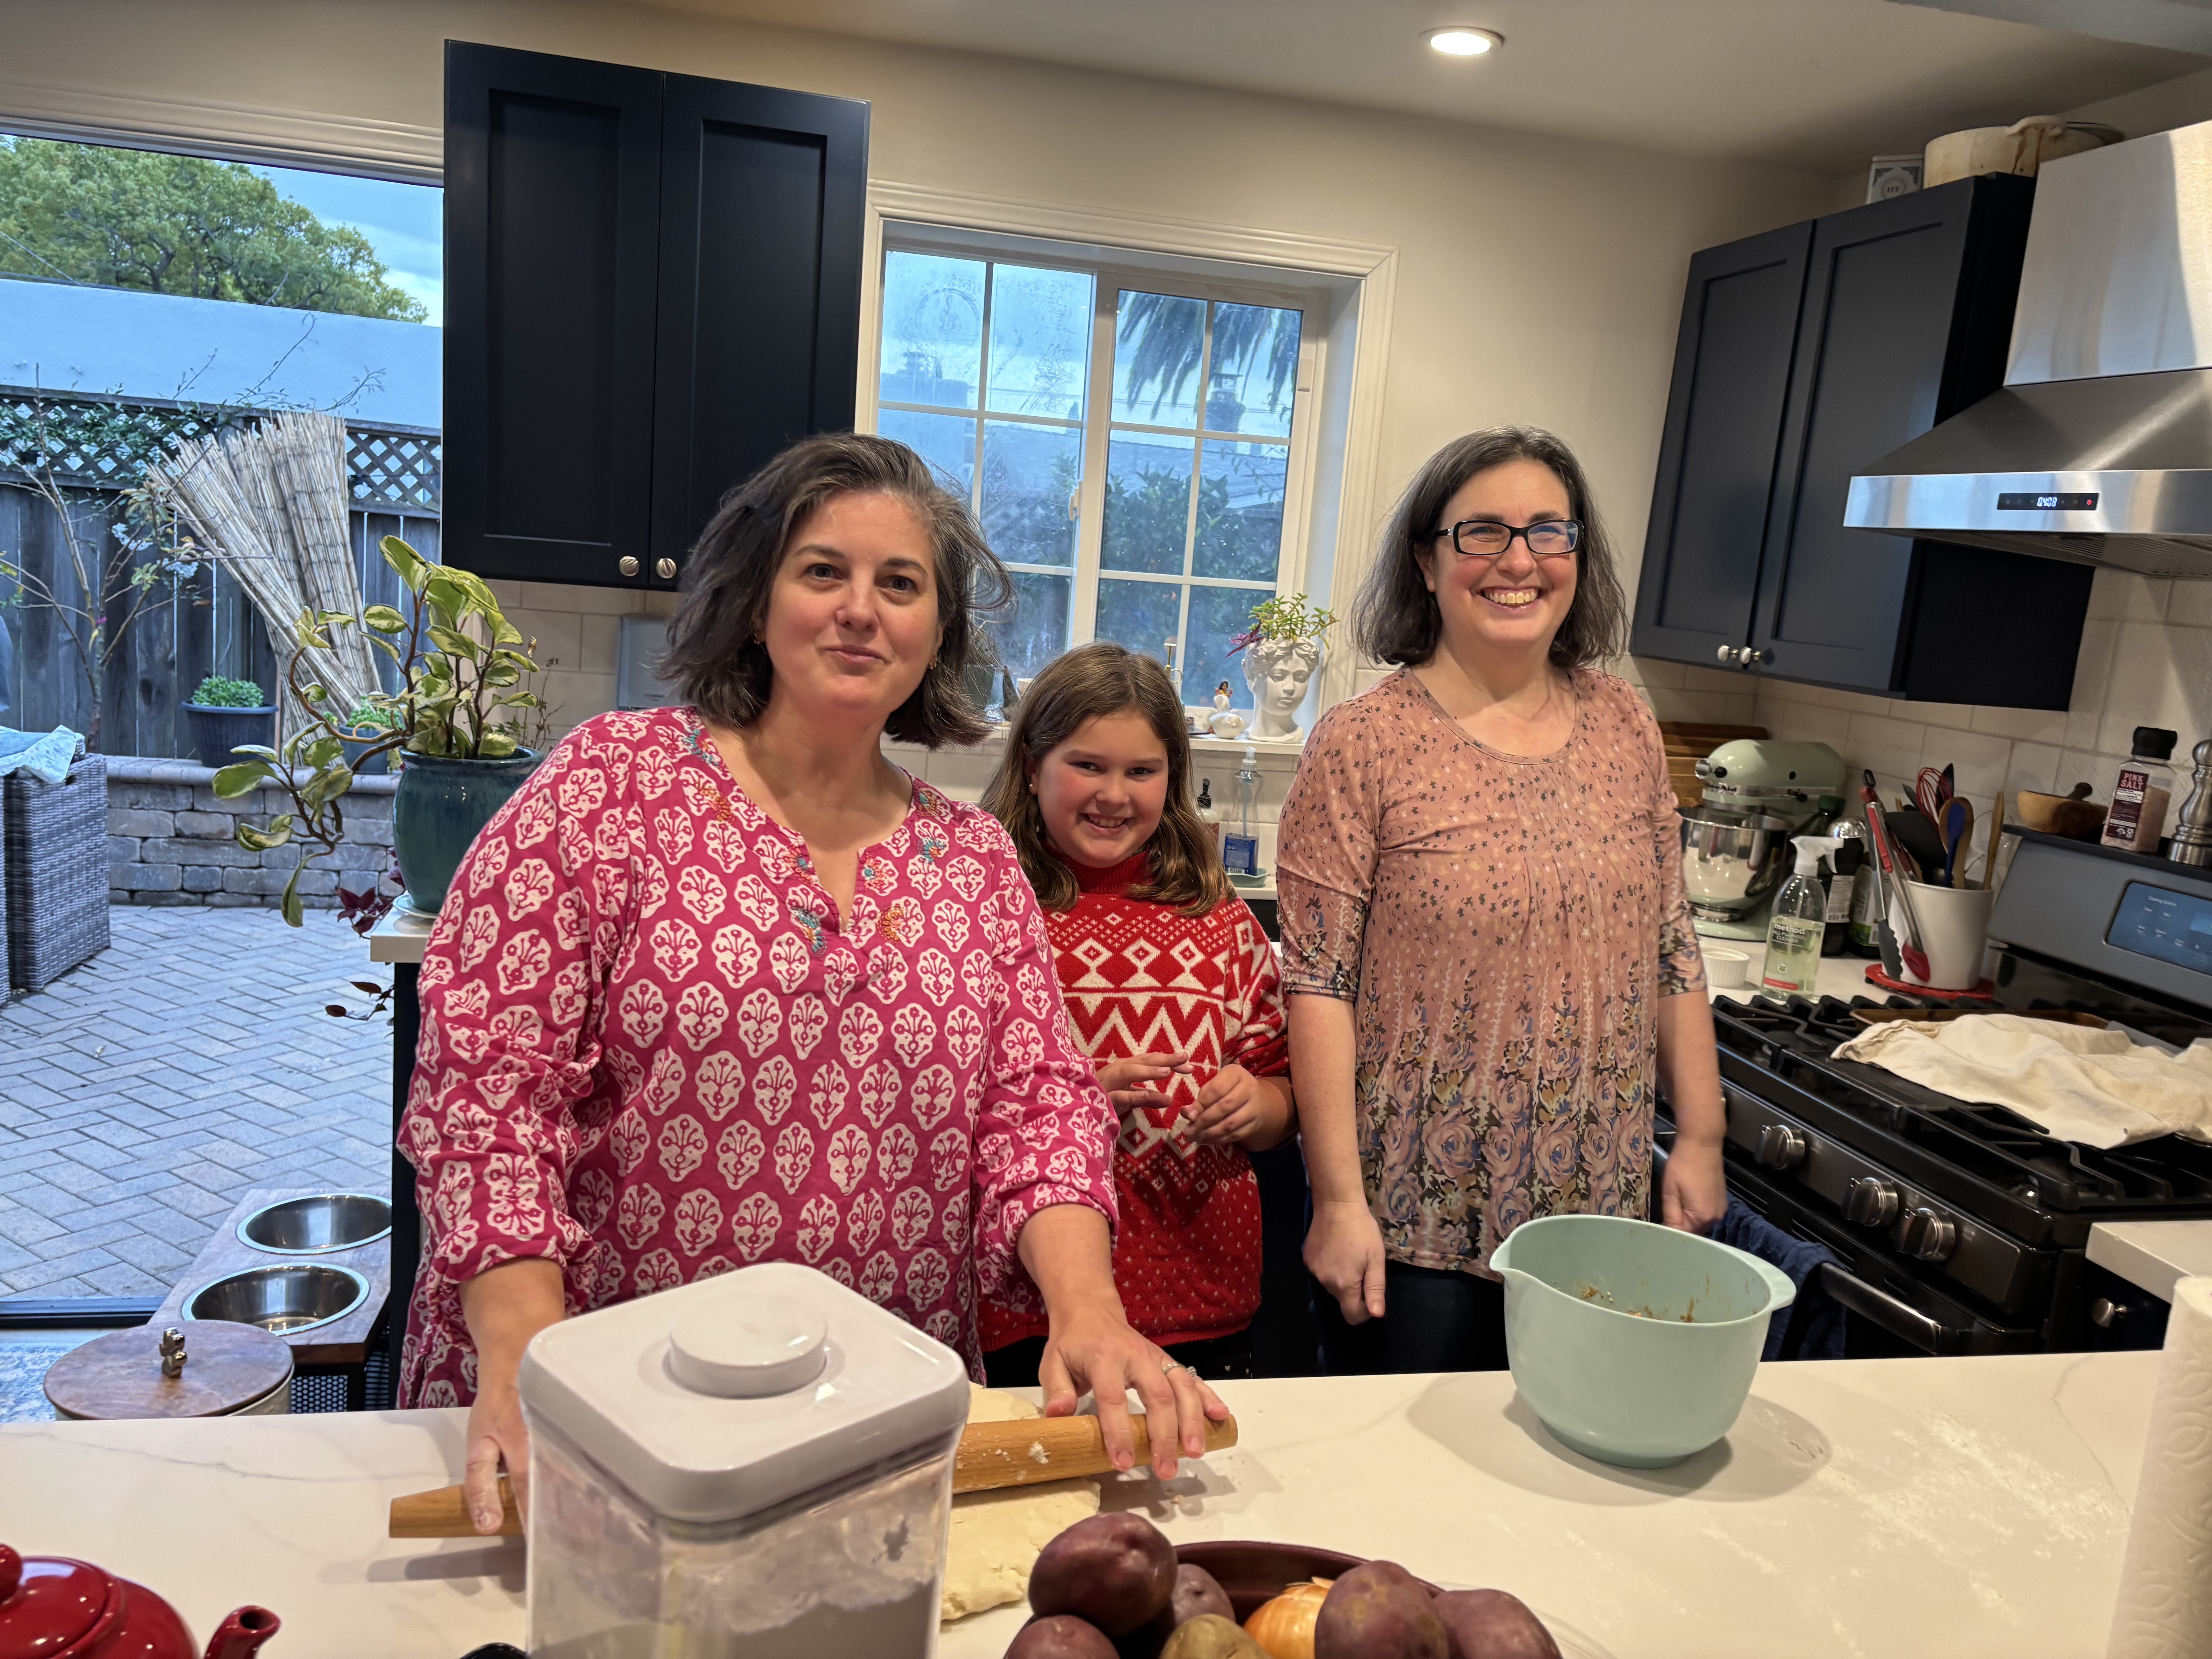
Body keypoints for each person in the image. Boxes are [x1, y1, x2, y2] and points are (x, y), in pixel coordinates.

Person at [397, 434, 1224, 1534]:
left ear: (937, 635)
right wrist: (528, 1363)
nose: (861, 609)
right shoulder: (611, 788)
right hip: (604, 1414)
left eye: (901, 583)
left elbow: (1038, 1109)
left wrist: (1090, 1307)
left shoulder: (973, 861)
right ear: (755, 600)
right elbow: (488, 1094)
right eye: (822, 570)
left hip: (874, 1422)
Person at [1274, 426, 1728, 1375]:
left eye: (1547, 532)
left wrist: (1700, 1133)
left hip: (1596, 1205)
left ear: (1576, 555)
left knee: (1568, 1487)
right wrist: (1340, 1202)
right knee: (1409, 1505)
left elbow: (1670, 944)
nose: (1518, 561)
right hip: (1414, 1219)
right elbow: (1317, 987)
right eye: (1481, 532)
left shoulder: (1627, 724)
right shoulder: (1363, 745)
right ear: (1427, 560)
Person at [978, 642, 1294, 1384]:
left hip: (1202, 1298)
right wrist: (1075, 1097)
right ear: (1031, 765)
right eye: (1087, 765)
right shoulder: (991, 911)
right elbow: (951, 1101)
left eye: (1141, 772)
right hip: (1030, 1308)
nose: (1114, 794)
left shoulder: (1216, 918)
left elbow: (1283, 1087)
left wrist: (1262, 1105)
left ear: (1172, 778)